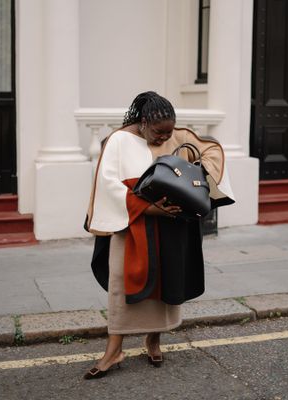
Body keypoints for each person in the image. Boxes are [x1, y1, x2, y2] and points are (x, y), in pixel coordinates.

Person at [83, 91, 235, 379]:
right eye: (158, 132)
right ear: (142, 122)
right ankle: (113, 350)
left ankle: (154, 340)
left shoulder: (176, 135)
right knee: (120, 289)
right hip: (131, 226)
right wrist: (148, 208)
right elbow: (108, 185)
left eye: (169, 131)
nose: (164, 138)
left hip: (172, 228)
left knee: (166, 287)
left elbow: (211, 152)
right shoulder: (118, 140)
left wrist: (200, 177)